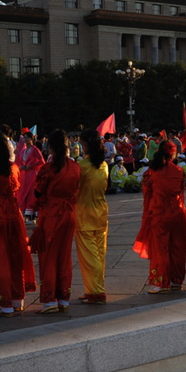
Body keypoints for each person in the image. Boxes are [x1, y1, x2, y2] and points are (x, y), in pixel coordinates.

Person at [0, 131, 36, 316]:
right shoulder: (13, 167)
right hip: (13, 214)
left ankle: (5, 303)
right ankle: (17, 299)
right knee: (15, 256)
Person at [30, 129, 80, 314]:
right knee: (64, 256)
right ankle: (63, 298)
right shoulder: (75, 167)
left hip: (51, 214)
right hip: (68, 214)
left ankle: (50, 299)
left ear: (50, 146)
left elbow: (37, 192)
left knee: (48, 257)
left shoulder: (47, 169)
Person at [133, 141, 186, 293]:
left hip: (159, 214)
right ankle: (177, 281)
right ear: (173, 154)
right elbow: (181, 191)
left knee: (161, 249)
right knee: (178, 248)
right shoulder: (179, 171)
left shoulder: (151, 173)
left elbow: (147, 195)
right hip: (177, 213)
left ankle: (161, 282)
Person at [75, 129, 110, 304]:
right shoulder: (103, 165)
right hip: (101, 212)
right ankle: (92, 288)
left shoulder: (82, 167)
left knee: (89, 256)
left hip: (84, 215)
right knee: (99, 254)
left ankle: (96, 292)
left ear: (86, 145)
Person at [16, 132, 44, 221]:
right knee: (23, 192)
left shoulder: (35, 149)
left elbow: (42, 161)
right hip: (24, 174)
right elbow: (19, 160)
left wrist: (31, 165)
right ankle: (25, 214)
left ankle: (31, 215)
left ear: (31, 139)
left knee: (31, 193)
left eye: (27, 137)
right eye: (24, 138)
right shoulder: (23, 151)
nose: (25, 139)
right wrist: (21, 167)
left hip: (32, 174)